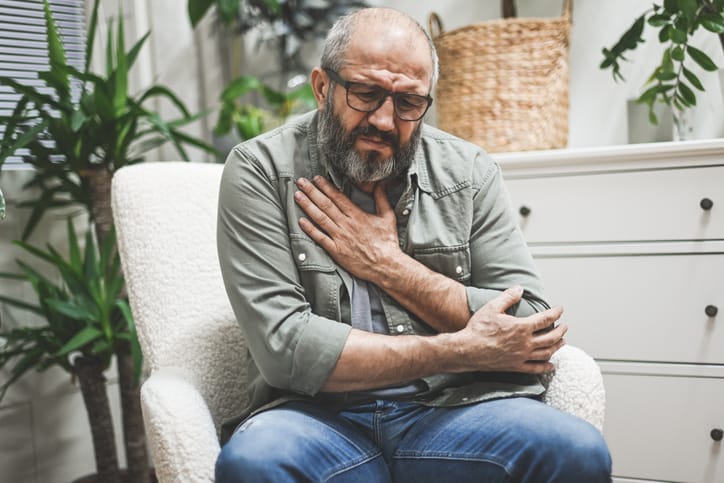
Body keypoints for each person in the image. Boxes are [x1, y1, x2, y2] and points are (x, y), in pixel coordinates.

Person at [215, 7, 611, 482]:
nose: (385, 119)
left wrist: (389, 266)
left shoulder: (468, 171)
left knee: (578, 451)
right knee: (252, 463)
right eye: (366, 93)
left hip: (450, 411)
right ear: (323, 87)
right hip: (314, 418)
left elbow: (531, 326)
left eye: (408, 102)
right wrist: (462, 349)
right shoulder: (260, 170)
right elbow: (286, 348)